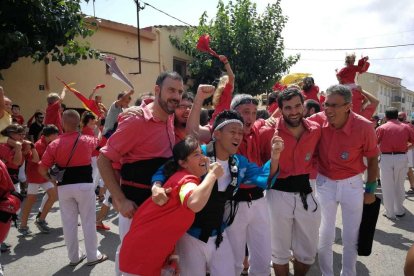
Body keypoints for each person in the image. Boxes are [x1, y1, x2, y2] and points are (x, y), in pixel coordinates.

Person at [153, 108, 283, 276]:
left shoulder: (239, 163)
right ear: (217, 134)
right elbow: (165, 170)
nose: (238, 136)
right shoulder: (197, 154)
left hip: (219, 233)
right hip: (189, 234)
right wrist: (156, 187)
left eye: (240, 133)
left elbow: (263, 178)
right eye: (232, 132)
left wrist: (275, 156)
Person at [97, 71, 183, 275]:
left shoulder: (170, 118)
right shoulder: (136, 120)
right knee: (132, 265)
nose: (176, 96)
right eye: (171, 90)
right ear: (157, 90)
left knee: (154, 264)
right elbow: (104, 159)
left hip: (160, 209)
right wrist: (119, 200)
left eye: (179, 92)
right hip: (136, 209)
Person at [119, 136, 224, 275]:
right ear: (183, 163)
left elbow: (167, 225)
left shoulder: (182, 177)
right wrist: (212, 175)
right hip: (142, 257)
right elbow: (194, 203)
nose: (204, 158)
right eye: (196, 154)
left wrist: (172, 256)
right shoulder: (185, 181)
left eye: (202, 153)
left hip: (144, 253)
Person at [308, 84, 379, 276]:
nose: (328, 110)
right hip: (325, 183)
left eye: (334, 105)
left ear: (348, 106)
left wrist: (370, 190)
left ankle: (349, 273)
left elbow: (373, 160)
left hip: (352, 184)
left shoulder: (364, 126)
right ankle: (326, 273)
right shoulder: (317, 120)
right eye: (326, 105)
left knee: (350, 236)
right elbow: (296, 123)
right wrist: (271, 122)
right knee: (324, 234)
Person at [260, 87, 321, 276]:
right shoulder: (267, 131)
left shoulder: (316, 130)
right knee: (279, 250)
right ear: (280, 109)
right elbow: (261, 165)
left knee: (308, 251)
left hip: (307, 192)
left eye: (297, 106)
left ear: (303, 106)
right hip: (277, 195)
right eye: (288, 108)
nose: (293, 112)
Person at [38, 110, 107, 266]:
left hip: (64, 187)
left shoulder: (54, 144)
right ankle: (92, 256)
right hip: (85, 185)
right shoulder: (88, 139)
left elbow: (42, 169)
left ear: (62, 124)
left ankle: (74, 257)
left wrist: (52, 180)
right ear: (79, 123)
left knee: (68, 223)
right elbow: (102, 145)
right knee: (88, 221)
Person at [18, 125, 59, 236]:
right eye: (56, 134)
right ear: (50, 136)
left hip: (44, 176)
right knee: (31, 200)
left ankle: (41, 220)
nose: (58, 136)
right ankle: (23, 226)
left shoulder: (50, 144)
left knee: (53, 195)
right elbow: (36, 160)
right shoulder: (38, 145)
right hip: (34, 177)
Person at [376, 107, 414, 219]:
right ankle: (399, 210)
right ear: (397, 115)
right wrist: (408, 148)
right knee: (399, 185)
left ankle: (390, 212)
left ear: (386, 117)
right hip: (401, 156)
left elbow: (374, 144)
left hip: (386, 158)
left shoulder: (381, 128)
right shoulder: (406, 127)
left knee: (387, 186)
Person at [0, 124, 39, 193]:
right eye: (19, 134)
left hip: (13, 176)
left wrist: (32, 146)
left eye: (23, 134)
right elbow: (16, 162)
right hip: (3, 178)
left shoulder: (22, 144)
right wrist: (18, 148)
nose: (22, 137)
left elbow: (35, 160)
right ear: (11, 134)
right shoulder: (3, 146)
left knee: (16, 200)